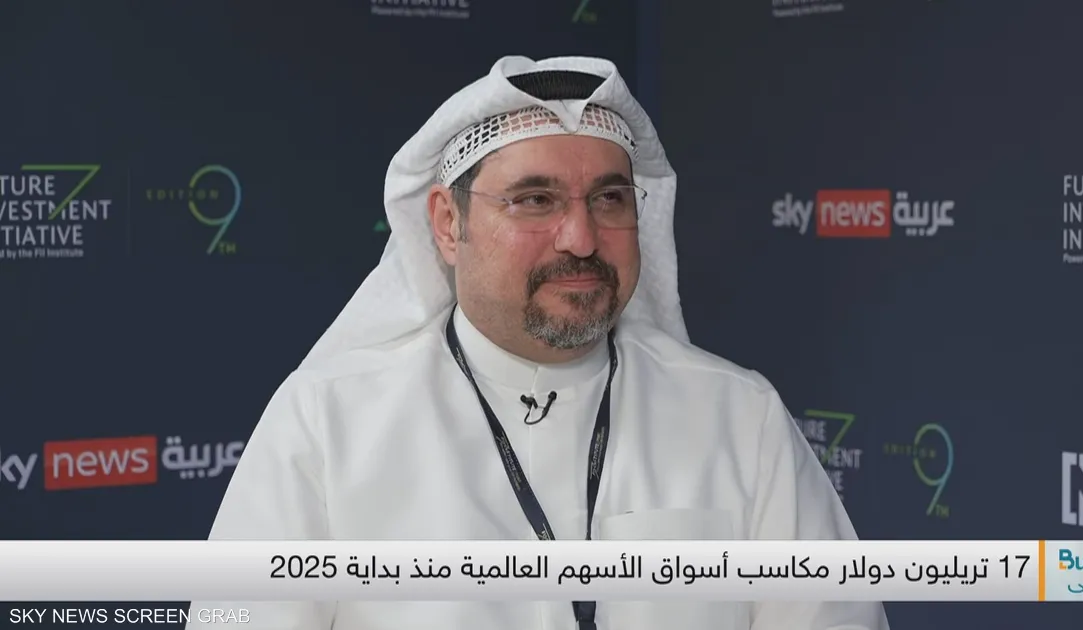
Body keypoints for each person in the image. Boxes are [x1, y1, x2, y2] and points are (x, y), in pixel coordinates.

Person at [186, 56, 889, 630]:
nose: (580, 237)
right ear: (448, 224)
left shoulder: (738, 417)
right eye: (534, 200)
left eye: (609, 199)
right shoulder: (325, 424)